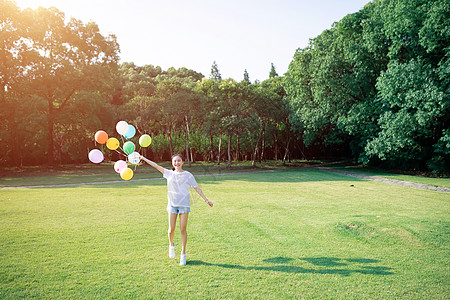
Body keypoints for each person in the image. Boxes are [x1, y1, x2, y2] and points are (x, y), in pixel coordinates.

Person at [140, 153, 213, 266]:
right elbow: (155, 165)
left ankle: (183, 254)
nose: (177, 163)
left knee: (183, 229)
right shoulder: (169, 174)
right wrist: (143, 158)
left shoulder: (188, 175)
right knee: (171, 229)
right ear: (172, 163)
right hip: (172, 205)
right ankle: (171, 245)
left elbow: (197, 188)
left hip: (184, 205)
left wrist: (206, 200)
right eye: (175, 161)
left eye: (179, 161)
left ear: (182, 162)